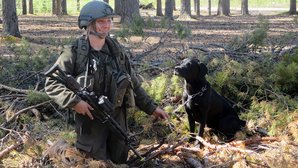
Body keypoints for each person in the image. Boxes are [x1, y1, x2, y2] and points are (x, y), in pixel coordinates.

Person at [44, 0, 169, 164]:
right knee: (94, 162)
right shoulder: (75, 53)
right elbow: (52, 83)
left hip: (117, 118)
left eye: (109, 20)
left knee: (119, 159)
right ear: (89, 24)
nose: (107, 25)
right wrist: (75, 102)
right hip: (91, 121)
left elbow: (133, 83)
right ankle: (59, 148)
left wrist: (152, 108)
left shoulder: (117, 52)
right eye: (101, 21)